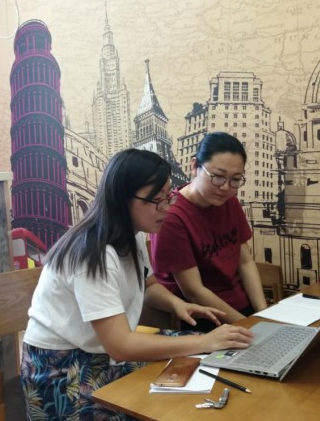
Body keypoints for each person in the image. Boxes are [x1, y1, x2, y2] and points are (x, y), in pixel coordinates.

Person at [20, 148, 253, 420]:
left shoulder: (129, 235)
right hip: (62, 369)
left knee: (214, 356)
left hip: (100, 352)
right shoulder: (93, 253)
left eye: (168, 196)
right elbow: (121, 346)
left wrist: (178, 305)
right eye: (157, 200)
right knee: (172, 394)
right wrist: (204, 341)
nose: (167, 207)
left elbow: (149, 285)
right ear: (123, 198)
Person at [150, 132, 268, 332]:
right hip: (203, 316)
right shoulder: (172, 216)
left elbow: (245, 261)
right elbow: (194, 292)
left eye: (235, 179)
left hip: (240, 308)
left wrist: (263, 315)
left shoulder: (228, 201)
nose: (226, 187)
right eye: (218, 177)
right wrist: (249, 327)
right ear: (195, 166)